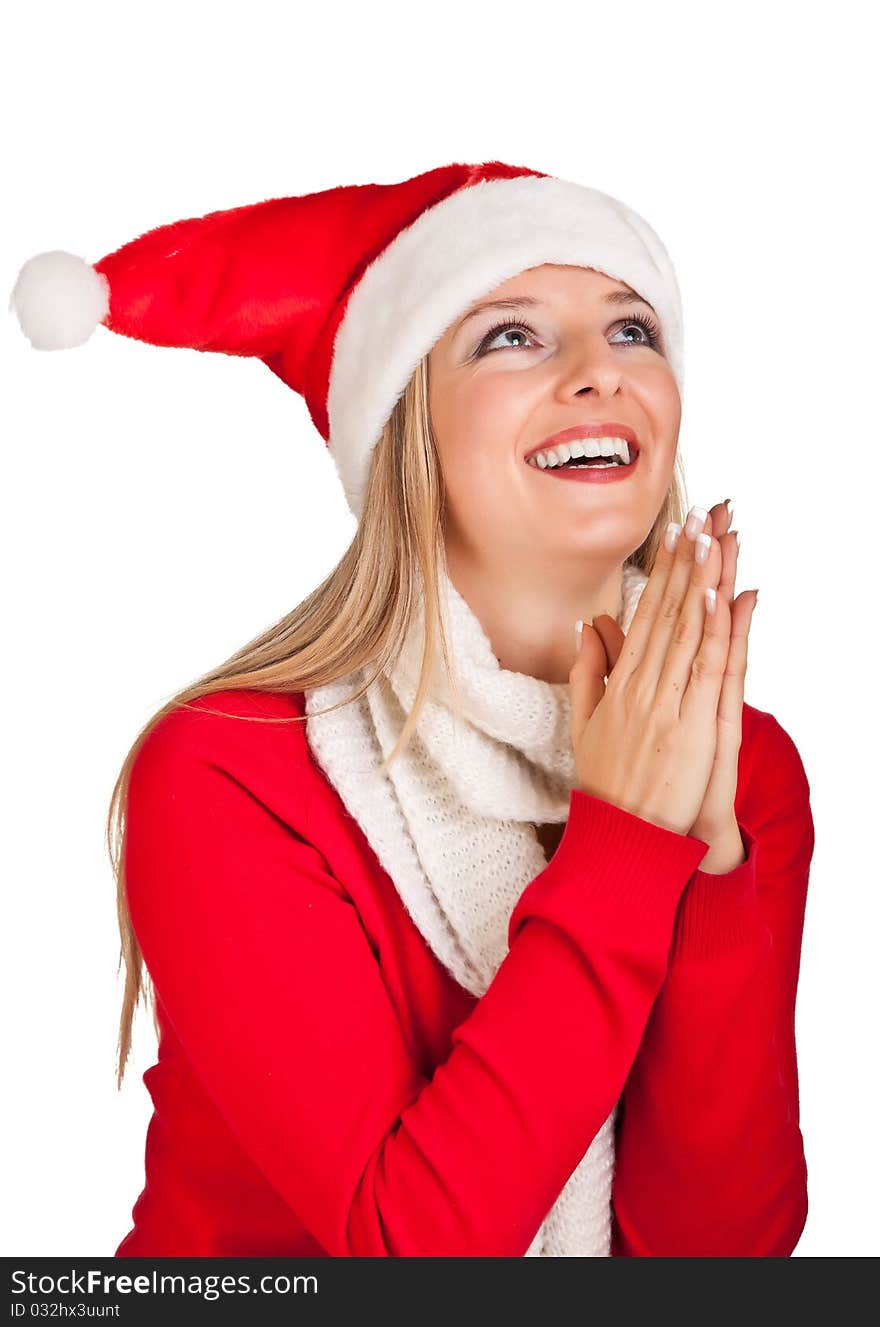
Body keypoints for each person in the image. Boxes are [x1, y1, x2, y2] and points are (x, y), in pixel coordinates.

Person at [10, 160, 814, 1257]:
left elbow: (720, 1259)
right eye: (511, 336)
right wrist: (625, 848)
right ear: (405, 428)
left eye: (633, 331)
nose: (599, 373)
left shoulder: (738, 762)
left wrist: (704, 856)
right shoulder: (230, 772)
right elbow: (411, 1251)